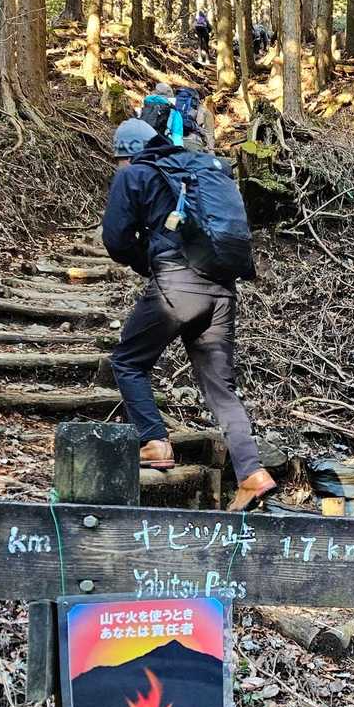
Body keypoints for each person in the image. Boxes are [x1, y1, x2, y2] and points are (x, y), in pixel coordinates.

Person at [100, 118, 276, 512]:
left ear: (128, 154)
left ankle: (154, 441)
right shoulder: (193, 171)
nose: (118, 166)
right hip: (222, 288)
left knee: (127, 361)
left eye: (118, 159)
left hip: (177, 285)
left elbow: (115, 239)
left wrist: (147, 261)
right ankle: (251, 472)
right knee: (220, 387)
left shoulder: (135, 174)